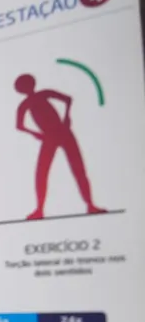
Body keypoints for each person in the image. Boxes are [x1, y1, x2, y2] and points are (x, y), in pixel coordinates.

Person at [14, 73, 107, 220]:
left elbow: (67, 99)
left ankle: (90, 205)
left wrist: (66, 117)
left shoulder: (44, 94)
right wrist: (36, 134)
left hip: (63, 132)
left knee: (78, 168)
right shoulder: (24, 105)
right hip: (48, 136)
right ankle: (39, 210)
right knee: (42, 173)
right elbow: (19, 126)